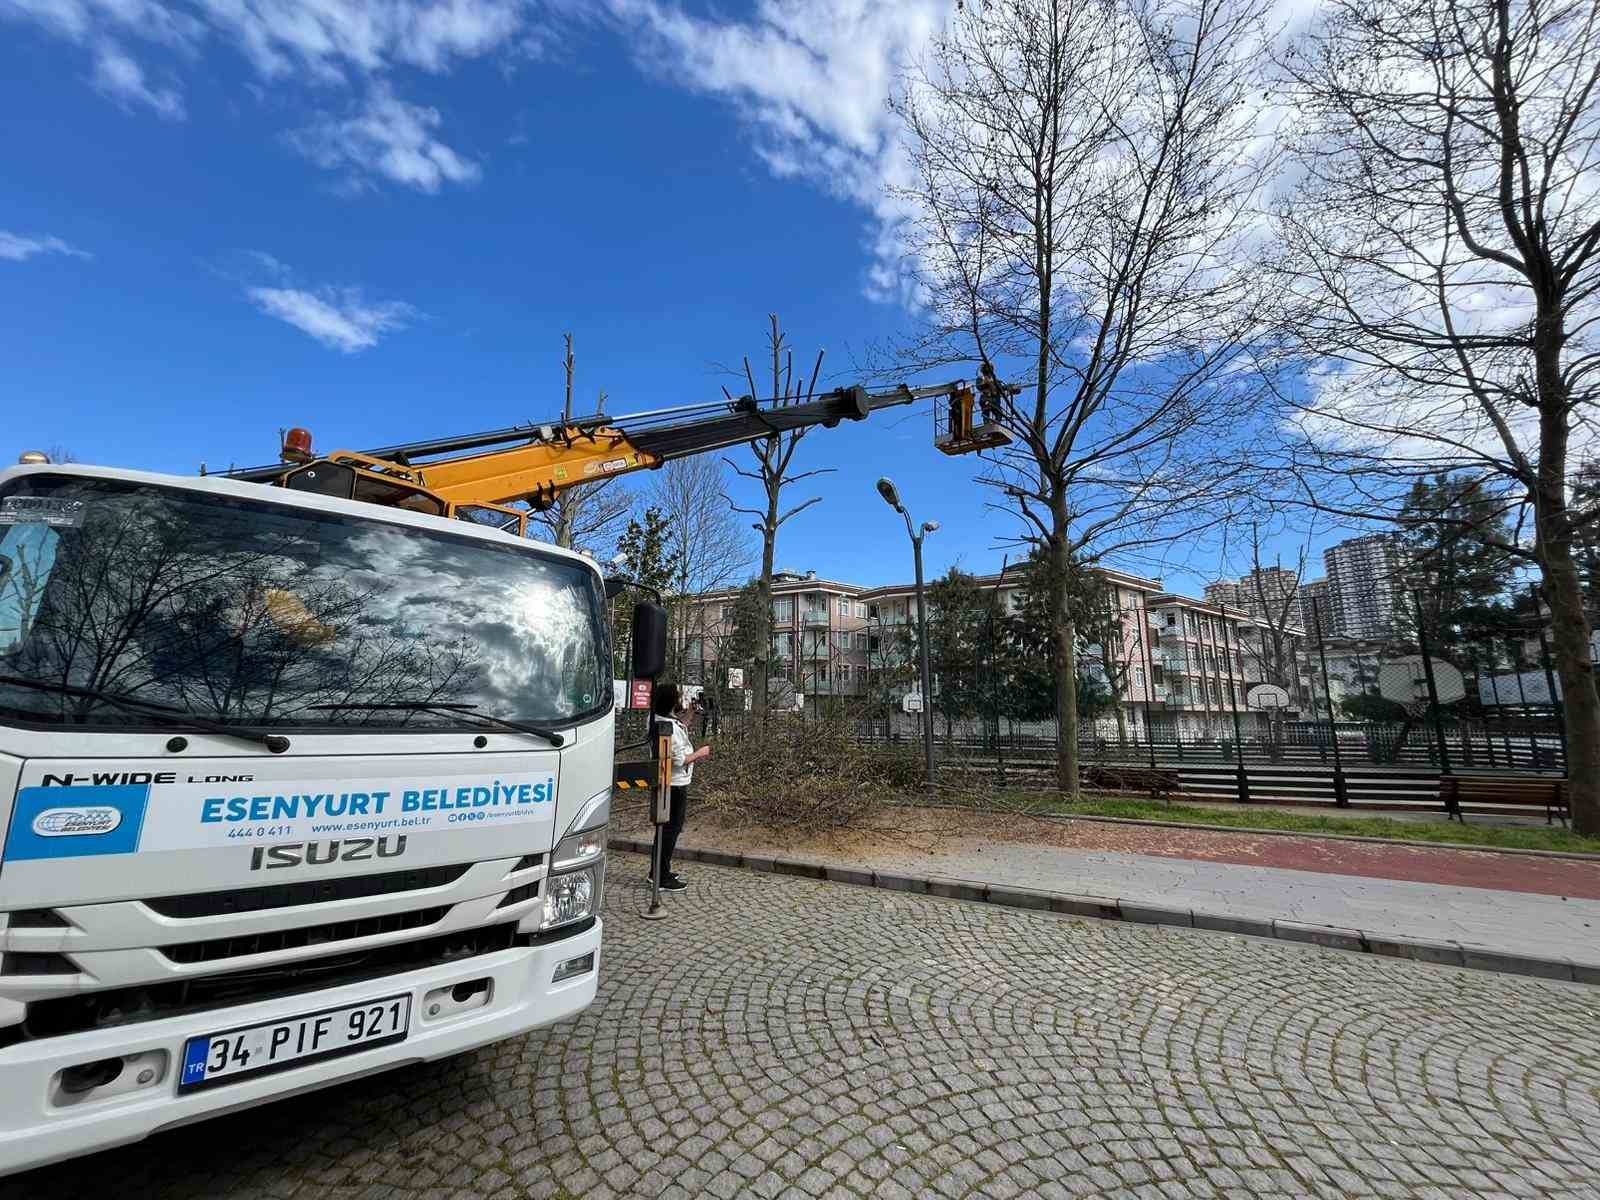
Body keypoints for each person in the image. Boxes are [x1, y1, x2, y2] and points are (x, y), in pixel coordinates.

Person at [650, 682, 709, 893]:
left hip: (673, 782)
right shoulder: (666, 728)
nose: (681, 701)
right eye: (679, 697)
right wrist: (700, 754)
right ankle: (661, 876)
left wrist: (691, 712)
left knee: (664, 830)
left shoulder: (663, 720)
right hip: (673, 784)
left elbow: (681, 724)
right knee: (670, 830)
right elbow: (677, 760)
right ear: (671, 702)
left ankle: (657, 871)